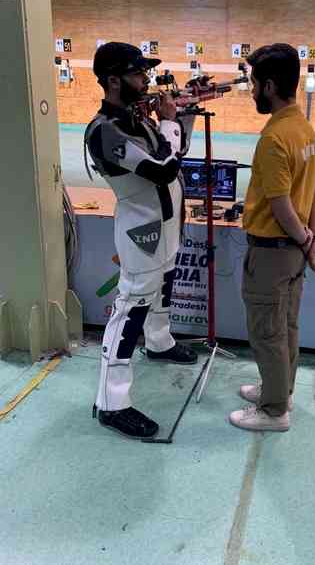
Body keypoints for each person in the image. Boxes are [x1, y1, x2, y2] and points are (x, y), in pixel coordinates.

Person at [85, 42, 198, 439]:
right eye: (137, 74)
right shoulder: (106, 131)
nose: (145, 80)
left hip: (165, 227)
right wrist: (168, 119)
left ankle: (160, 341)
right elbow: (162, 170)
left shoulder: (137, 121)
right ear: (113, 80)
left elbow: (176, 150)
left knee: (163, 288)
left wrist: (182, 117)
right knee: (130, 310)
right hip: (142, 234)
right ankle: (112, 403)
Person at [229, 43, 315, 433]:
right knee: (285, 326)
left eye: (254, 84)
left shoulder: (274, 138)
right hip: (293, 254)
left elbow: (281, 204)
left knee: (266, 331)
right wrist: (314, 238)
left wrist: (305, 239)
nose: (252, 92)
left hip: (273, 252)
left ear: (269, 86)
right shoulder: (305, 130)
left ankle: (274, 412)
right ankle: (278, 390)